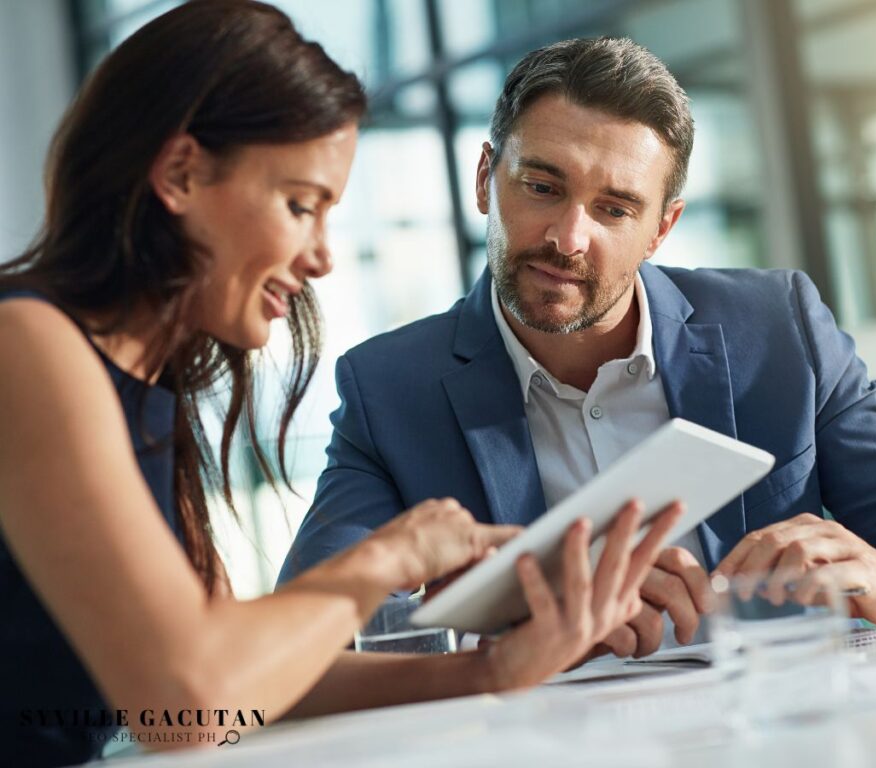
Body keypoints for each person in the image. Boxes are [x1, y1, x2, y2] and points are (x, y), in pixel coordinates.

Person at [0, 6, 683, 766]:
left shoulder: (137, 383)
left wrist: (488, 670)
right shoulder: (25, 345)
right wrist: (390, 558)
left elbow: (236, 686)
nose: (322, 258)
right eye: (300, 206)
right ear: (181, 173)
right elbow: (186, 704)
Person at [280, 37, 876, 658]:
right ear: (485, 179)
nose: (569, 238)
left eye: (614, 208)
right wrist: (514, 625)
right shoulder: (390, 388)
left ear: (661, 229)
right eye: (542, 186)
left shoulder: (777, 330)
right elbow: (299, 634)